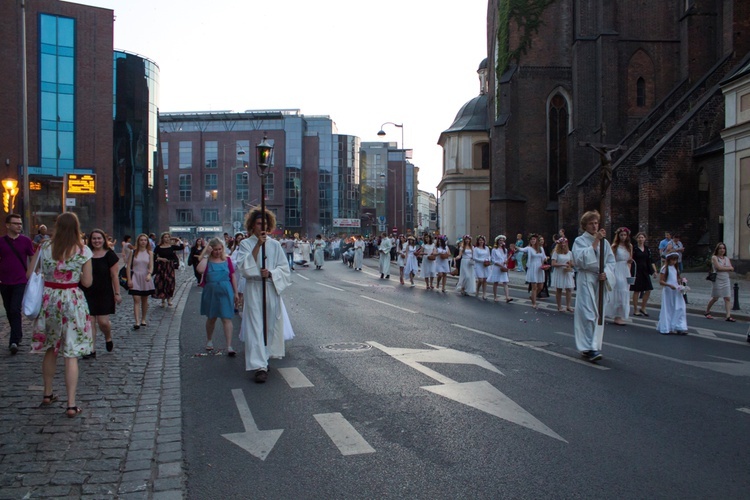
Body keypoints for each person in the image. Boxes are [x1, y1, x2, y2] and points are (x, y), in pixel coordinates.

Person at [29, 212, 93, 418]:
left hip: (50, 299)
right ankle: (71, 404)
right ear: (76, 227)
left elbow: (30, 274)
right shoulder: (83, 250)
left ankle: (47, 394)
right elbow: (87, 282)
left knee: (50, 348)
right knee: (71, 352)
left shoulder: (45, 247)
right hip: (72, 299)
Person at [235, 207, 293, 383]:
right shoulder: (246, 244)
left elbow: (285, 269)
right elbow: (244, 267)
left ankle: (265, 358)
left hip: (270, 288)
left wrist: (272, 273)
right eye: (259, 223)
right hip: (253, 289)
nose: (262, 227)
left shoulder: (275, 245)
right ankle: (259, 366)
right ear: (252, 225)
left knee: (268, 326)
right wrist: (258, 246)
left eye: (265, 224)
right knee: (255, 326)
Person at [572, 210, 616, 362]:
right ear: (585, 225)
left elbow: (611, 262)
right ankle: (588, 347)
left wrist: (607, 274)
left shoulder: (606, 243)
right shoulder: (579, 241)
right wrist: (595, 242)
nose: (594, 226)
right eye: (591, 223)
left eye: (596, 223)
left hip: (600, 280)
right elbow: (580, 260)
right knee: (588, 313)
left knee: (598, 315)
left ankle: (593, 345)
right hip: (586, 279)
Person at [81, 229, 121, 358]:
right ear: (90, 240)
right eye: (94, 238)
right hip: (87, 291)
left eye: (99, 238)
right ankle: (91, 349)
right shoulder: (85, 253)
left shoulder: (110, 255)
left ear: (104, 239)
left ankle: (108, 336)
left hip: (104, 291)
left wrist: (117, 293)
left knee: (103, 322)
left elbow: (114, 275)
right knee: (90, 321)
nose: (96, 241)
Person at [196, 238, 238, 355]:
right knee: (212, 317)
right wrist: (206, 255)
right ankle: (209, 340)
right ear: (211, 249)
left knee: (226, 317)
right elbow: (200, 270)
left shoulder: (227, 259)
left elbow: (232, 276)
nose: (218, 252)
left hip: (225, 290)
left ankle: (229, 345)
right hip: (211, 291)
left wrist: (235, 292)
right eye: (215, 250)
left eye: (220, 249)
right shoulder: (207, 260)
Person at [0, 213, 35, 354]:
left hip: (21, 280)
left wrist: (32, 274)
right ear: (8, 225)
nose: (19, 226)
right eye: (16, 223)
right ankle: (18, 334)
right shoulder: (1, 242)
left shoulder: (26, 241)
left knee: (15, 308)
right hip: (4, 280)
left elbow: (33, 257)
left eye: (20, 224)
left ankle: (13, 340)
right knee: (9, 309)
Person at [126, 234, 154, 329]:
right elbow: (128, 266)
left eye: (145, 240)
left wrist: (149, 274)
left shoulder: (149, 253)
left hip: (145, 277)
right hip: (135, 277)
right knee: (136, 299)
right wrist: (129, 279)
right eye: (141, 240)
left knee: (144, 299)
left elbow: (151, 266)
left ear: (147, 242)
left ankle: (143, 319)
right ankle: (137, 321)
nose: (143, 242)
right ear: (138, 241)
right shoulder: (133, 252)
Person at [606, 227, 633, 325]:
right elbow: (610, 260)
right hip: (617, 269)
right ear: (618, 236)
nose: (623, 237)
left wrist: (629, 272)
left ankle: (621, 315)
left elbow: (630, 259)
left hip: (625, 270)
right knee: (619, 292)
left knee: (625, 292)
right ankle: (617, 316)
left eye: (625, 235)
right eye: (621, 235)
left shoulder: (629, 246)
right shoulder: (614, 246)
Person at [657, 252, 688, 335]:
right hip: (669, 290)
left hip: (676, 290)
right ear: (669, 259)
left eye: (675, 260)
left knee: (680, 307)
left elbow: (677, 279)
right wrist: (669, 285)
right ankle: (668, 327)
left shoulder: (675, 268)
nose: (674, 262)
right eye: (672, 260)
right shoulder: (664, 268)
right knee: (669, 308)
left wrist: (681, 281)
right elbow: (661, 281)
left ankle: (679, 326)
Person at [704, 242, 736, 322]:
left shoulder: (726, 258)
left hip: (726, 279)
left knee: (727, 297)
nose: (722, 250)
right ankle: (707, 311)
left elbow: (732, 268)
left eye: (723, 248)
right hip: (718, 279)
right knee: (715, 297)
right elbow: (718, 268)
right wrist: (727, 268)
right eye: (720, 248)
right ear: (717, 249)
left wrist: (725, 267)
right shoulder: (715, 257)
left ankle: (728, 316)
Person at [153, 232, 183, 308]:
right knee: (161, 282)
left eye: (168, 237)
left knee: (170, 282)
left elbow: (182, 247)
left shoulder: (172, 247)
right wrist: (161, 258)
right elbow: (153, 256)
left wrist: (178, 239)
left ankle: (169, 299)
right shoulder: (158, 247)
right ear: (162, 238)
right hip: (161, 266)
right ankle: (162, 299)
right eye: (165, 237)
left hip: (170, 266)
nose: (167, 238)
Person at [517, 234, 546, 309]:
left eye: (534, 239)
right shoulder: (529, 248)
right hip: (533, 267)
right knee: (534, 287)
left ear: (536, 240)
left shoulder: (541, 249)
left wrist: (545, 261)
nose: (533, 240)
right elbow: (521, 249)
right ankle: (534, 303)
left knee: (541, 286)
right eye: (531, 239)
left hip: (540, 268)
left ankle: (533, 296)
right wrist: (515, 247)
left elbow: (544, 257)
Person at [631, 232, 657, 317]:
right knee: (637, 290)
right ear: (637, 239)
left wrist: (654, 271)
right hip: (637, 271)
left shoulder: (647, 249)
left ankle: (643, 307)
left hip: (645, 271)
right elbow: (630, 260)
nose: (641, 239)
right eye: (639, 237)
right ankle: (635, 309)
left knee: (648, 289)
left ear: (645, 239)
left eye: (642, 237)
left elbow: (651, 260)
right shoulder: (634, 249)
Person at [551, 237, 575, 312]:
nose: (563, 244)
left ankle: (568, 306)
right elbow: (553, 263)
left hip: (567, 272)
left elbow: (572, 263)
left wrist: (569, 264)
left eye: (564, 243)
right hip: (559, 272)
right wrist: (562, 264)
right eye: (561, 243)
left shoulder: (569, 253)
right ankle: (559, 306)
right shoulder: (556, 252)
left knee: (569, 288)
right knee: (559, 289)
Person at [488, 235, 512, 302]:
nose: (501, 242)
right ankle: (495, 297)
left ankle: (507, 297)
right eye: (500, 240)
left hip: (503, 266)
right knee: (496, 282)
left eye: (502, 240)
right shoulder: (494, 250)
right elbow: (493, 260)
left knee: (505, 282)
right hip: (497, 267)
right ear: (497, 241)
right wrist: (500, 264)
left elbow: (505, 258)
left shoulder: (505, 250)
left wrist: (505, 262)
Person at [472, 235, 491, 299]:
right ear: (478, 241)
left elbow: (489, 255)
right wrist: (482, 260)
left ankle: (484, 293)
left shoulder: (487, 248)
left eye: (482, 240)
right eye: (480, 240)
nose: (481, 241)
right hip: (479, 265)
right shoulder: (476, 249)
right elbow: (474, 258)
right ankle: (477, 289)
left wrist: (488, 260)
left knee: (485, 279)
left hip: (485, 265)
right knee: (481, 279)